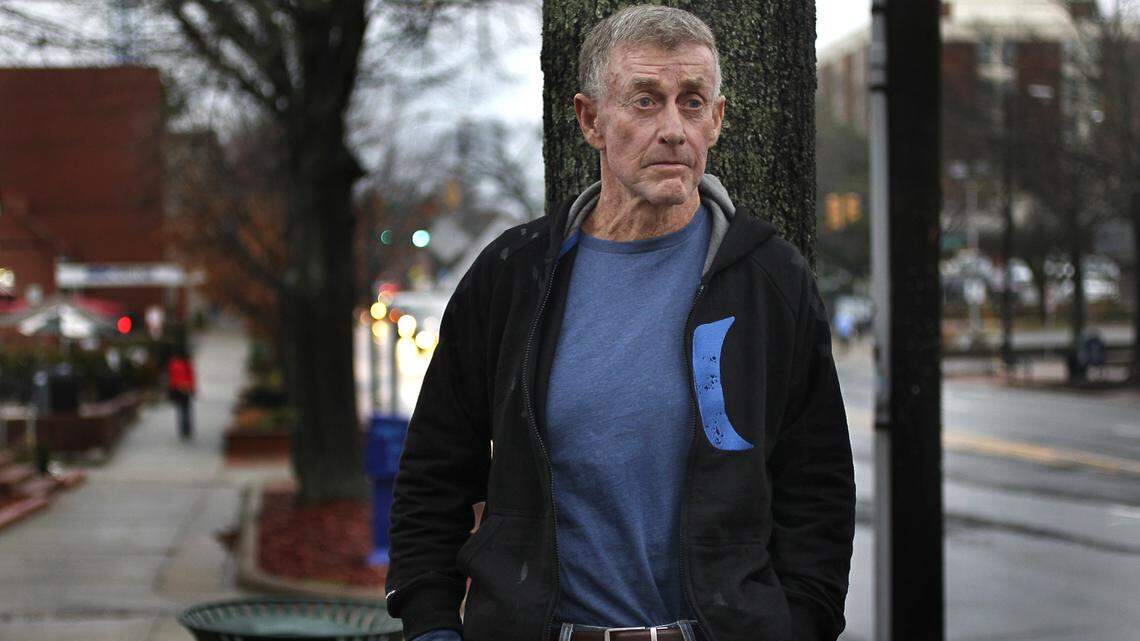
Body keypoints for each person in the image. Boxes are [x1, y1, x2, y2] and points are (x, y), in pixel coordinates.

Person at [387, 6, 855, 641]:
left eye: (692, 103)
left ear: (716, 121)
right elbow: (434, 472)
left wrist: (801, 625)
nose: (672, 129)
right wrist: (431, 624)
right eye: (644, 101)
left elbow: (818, 489)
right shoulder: (513, 276)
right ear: (590, 120)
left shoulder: (768, 279)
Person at [167, 348, 196, 440]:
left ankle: (183, 429)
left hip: (177, 388)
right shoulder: (187, 363)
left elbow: (171, 377)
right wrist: (192, 388)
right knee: (186, 409)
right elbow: (191, 376)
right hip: (186, 388)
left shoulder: (173, 363)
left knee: (180, 410)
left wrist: (173, 388)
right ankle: (187, 429)